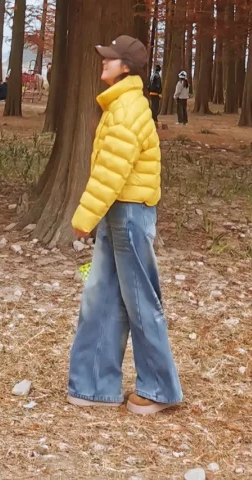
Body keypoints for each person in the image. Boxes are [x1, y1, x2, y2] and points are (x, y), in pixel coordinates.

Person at [67, 34, 182, 416]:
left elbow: (111, 171)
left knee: (141, 302)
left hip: (129, 214)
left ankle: (160, 389)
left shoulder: (129, 108)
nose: (104, 62)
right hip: (120, 213)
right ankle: (93, 386)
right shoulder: (121, 104)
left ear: (127, 67)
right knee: (101, 297)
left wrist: (84, 219)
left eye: (110, 58)